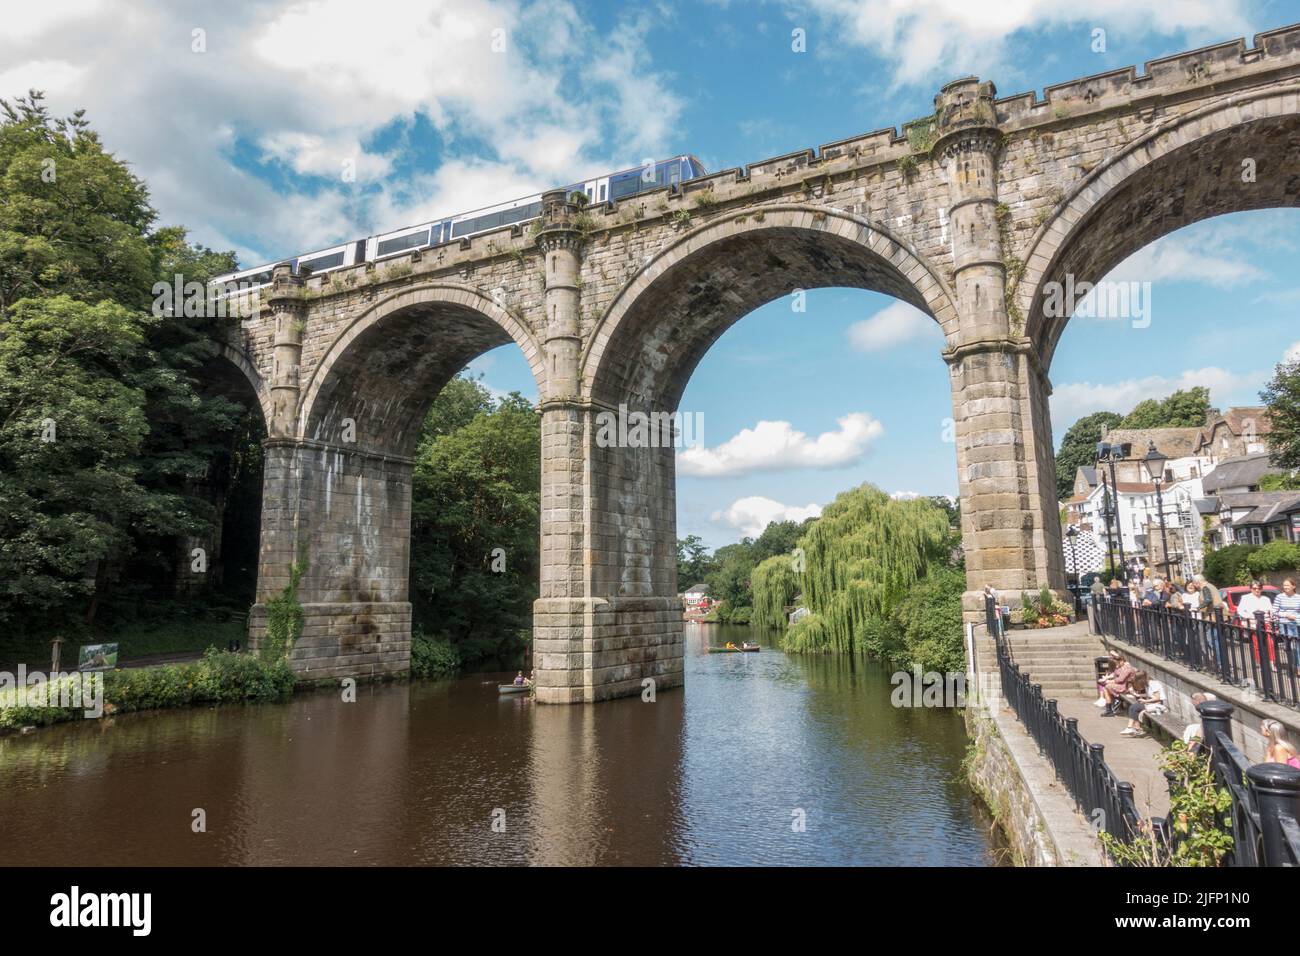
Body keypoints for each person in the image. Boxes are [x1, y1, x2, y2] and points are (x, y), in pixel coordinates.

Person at [1122, 672, 1166, 737]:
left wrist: (1145, 701)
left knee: (1134, 707)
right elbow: (1149, 695)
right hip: (1151, 703)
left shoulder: (1153, 684)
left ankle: (1132, 728)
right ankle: (1134, 728)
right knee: (1134, 707)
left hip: (1157, 705)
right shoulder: (1148, 684)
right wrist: (1138, 695)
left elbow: (1157, 698)